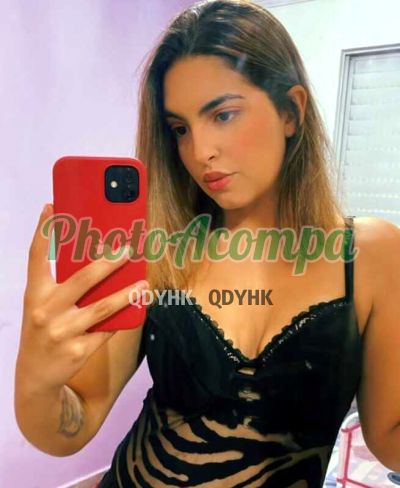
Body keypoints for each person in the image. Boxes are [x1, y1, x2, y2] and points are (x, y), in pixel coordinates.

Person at [14, 0, 400, 487]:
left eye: (223, 115)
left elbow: (387, 437)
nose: (199, 152)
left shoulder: (370, 254)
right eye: (180, 129)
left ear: (291, 111)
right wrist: (36, 380)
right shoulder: (158, 250)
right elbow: (73, 424)